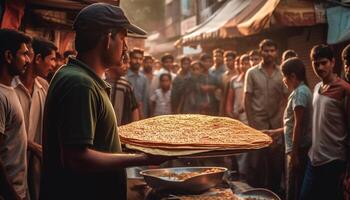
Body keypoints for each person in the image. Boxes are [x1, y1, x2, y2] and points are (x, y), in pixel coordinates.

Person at [40, 4, 171, 200]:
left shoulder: (82, 78)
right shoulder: (80, 84)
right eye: (123, 38)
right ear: (108, 39)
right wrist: (143, 158)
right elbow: (77, 159)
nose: (126, 47)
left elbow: (99, 142)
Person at [300, 44, 350, 200]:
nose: (320, 67)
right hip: (313, 158)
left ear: (333, 62)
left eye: (324, 63)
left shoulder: (344, 89)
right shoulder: (316, 88)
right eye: (316, 63)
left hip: (334, 161)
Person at [12, 37, 56, 200]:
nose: (53, 65)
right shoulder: (10, 87)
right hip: (12, 167)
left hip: (36, 168)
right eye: (51, 59)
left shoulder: (44, 87)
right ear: (38, 59)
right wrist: (33, 146)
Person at [243, 39, 288, 194]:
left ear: (276, 52)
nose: (269, 53)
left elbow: (285, 98)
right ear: (260, 51)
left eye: (272, 50)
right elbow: (247, 99)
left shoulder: (282, 72)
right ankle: (255, 195)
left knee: (276, 166)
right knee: (256, 166)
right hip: (257, 125)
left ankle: (273, 194)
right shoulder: (252, 72)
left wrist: (281, 123)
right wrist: (251, 125)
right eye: (266, 50)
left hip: (276, 126)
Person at [264, 58, 312, 200]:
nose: (283, 80)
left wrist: (295, 154)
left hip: (298, 149)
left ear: (292, 76)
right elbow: (291, 124)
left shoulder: (300, 93)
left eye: (284, 76)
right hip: (296, 148)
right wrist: (276, 132)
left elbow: (299, 125)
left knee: (294, 188)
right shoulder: (301, 91)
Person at [0, 28, 31, 200]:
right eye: (24, 54)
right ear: (8, 56)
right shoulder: (0, 96)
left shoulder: (9, 89)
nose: (28, 60)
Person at [105, 53, 139, 126]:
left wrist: (134, 126)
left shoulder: (126, 85)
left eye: (128, 63)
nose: (128, 66)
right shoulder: (102, 82)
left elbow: (134, 109)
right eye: (124, 62)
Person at [226, 54, 250, 124]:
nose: (244, 66)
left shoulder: (255, 79)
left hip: (250, 116)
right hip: (237, 116)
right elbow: (229, 99)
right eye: (242, 64)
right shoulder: (234, 80)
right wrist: (230, 113)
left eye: (246, 64)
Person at [126, 48, 149, 118]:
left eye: (140, 59)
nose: (138, 61)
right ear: (129, 59)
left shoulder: (144, 78)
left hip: (139, 115)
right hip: (125, 113)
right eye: (135, 58)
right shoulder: (124, 76)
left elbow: (145, 100)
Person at [218, 51, 237, 116]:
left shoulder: (238, 75)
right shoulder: (223, 76)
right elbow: (222, 95)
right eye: (226, 60)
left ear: (234, 60)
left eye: (230, 60)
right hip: (225, 106)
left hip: (237, 106)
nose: (227, 62)